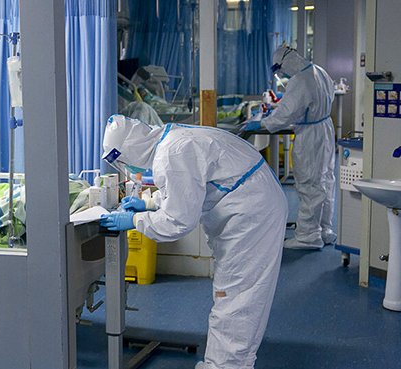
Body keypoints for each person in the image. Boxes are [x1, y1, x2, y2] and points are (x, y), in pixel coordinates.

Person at [100, 115, 288, 369]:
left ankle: (226, 366)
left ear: (130, 148)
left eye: (121, 159)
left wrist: (136, 221)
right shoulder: (169, 141)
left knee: (235, 295)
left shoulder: (171, 154)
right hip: (251, 205)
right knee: (237, 294)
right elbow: (189, 188)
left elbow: (178, 222)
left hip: (251, 215)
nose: (125, 166)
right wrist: (150, 203)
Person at [240, 44, 336, 250]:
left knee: (309, 183)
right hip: (325, 128)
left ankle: (308, 236)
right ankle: (324, 230)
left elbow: (284, 115)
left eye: (280, 69)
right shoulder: (319, 71)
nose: (282, 74)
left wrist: (263, 123)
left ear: (286, 62)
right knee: (325, 180)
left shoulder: (300, 80)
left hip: (311, 135)